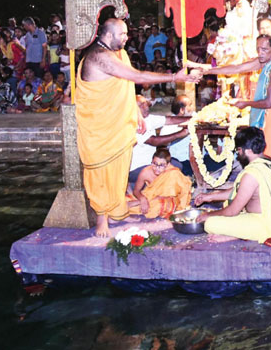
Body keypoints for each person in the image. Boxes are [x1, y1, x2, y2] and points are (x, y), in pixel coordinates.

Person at [76, 18, 200, 237]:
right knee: (102, 171)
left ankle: (116, 210)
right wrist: (174, 76)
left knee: (118, 168)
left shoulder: (118, 54)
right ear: (107, 35)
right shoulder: (99, 57)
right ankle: (101, 218)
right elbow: (137, 76)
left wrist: (133, 110)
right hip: (99, 126)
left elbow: (125, 84)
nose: (127, 37)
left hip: (118, 122)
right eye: (122, 34)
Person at [192, 35, 271, 170]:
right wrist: (207, 70)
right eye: (258, 49)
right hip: (267, 115)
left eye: (264, 49)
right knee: (263, 156)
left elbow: (268, 103)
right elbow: (237, 68)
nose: (260, 53)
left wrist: (245, 103)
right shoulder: (265, 61)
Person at [193, 126, 271, 242]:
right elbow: (241, 190)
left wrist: (208, 215)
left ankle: (238, 235)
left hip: (267, 225)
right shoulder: (268, 161)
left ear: (248, 151)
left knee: (210, 224)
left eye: (239, 150)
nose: (238, 154)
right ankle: (240, 233)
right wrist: (210, 197)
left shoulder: (252, 174)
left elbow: (232, 211)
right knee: (225, 209)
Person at [128, 147, 193, 219]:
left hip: (167, 200)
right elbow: (136, 191)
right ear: (151, 162)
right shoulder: (145, 172)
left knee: (158, 205)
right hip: (148, 196)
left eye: (161, 165)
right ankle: (135, 205)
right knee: (119, 202)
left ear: (168, 165)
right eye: (154, 164)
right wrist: (143, 199)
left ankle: (135, 206)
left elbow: (184, 192)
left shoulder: (173, 173)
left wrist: (140, 202)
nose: (157, 168)